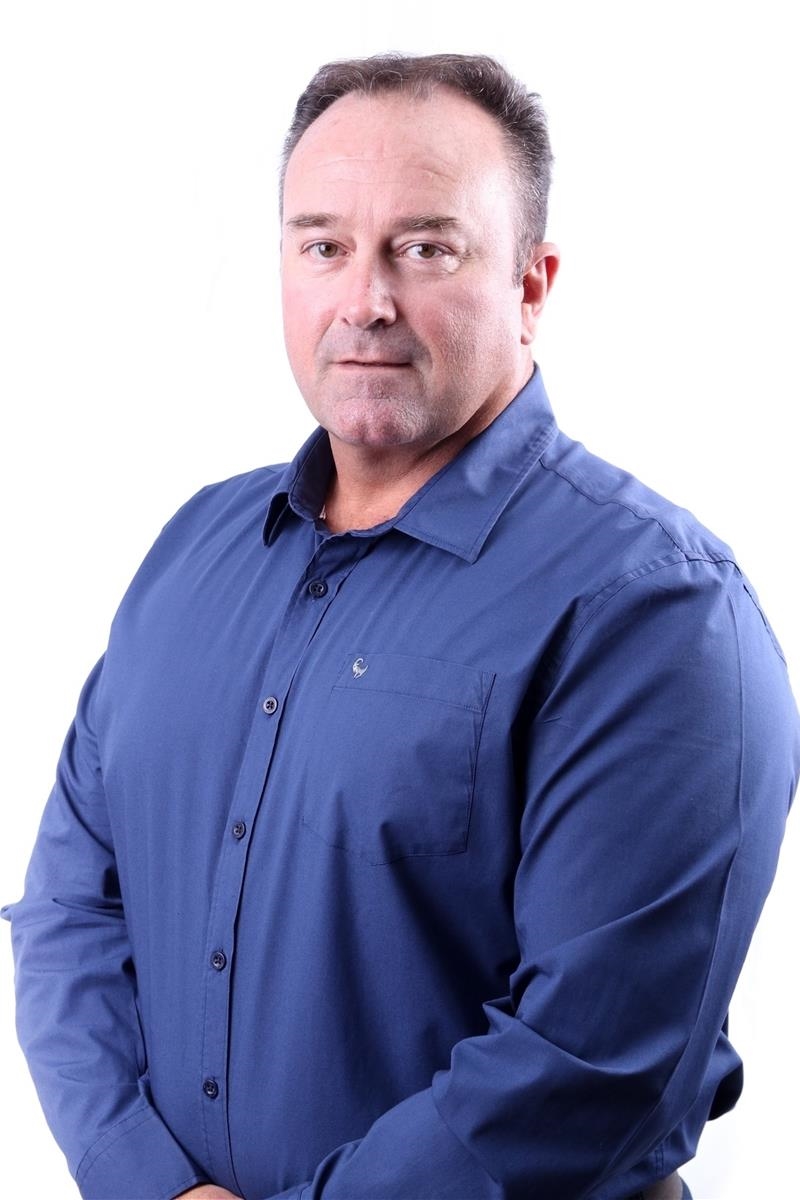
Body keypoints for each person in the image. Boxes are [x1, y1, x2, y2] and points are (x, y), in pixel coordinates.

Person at [3, 52, 798, 1200]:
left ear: (530, 285)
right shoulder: (191, 553)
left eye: (424, 249)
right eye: (323, 246)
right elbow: (71, 909)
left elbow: (586, 1066)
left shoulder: (656, 612)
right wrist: (146, 1180)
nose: (364, 299)